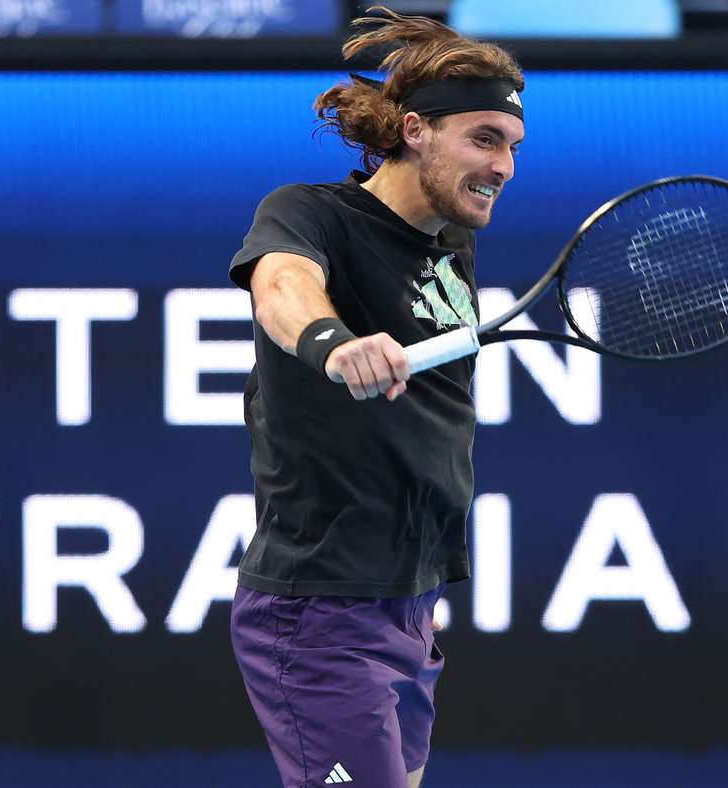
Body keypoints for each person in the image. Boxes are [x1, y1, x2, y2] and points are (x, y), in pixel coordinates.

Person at [227, 7, 524, 787]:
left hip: (409, 601)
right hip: (322, 610)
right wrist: (334, 344)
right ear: (416, 130)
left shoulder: (452, 242)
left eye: (512, 146)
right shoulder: (309, 213)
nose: (504, 166)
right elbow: (281, 284)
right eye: (484, 139)